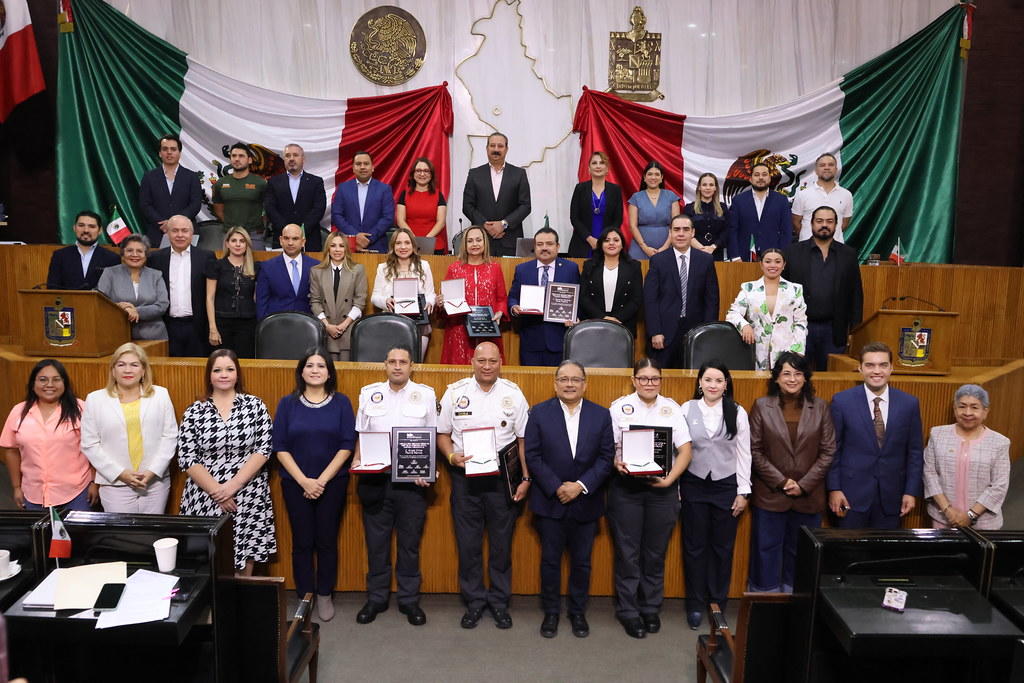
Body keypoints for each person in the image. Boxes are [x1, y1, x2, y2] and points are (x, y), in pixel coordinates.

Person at [436, 341, 531, 630]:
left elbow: (523, 441)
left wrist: (526, 478)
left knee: (502, 545)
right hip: (466, 479)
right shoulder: (456, 392)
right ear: (472, 362)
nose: (487, 366)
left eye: (492, 361)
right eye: (481, 361)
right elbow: (443, 434)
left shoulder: (513, 394)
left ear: (500, 362)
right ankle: (475, 602)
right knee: (469, 545)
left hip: (503, 479)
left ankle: (500, 603)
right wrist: (452, 457)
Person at [525, 360, 614, 639]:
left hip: (585, 501)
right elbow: (533, 456)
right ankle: (551, 613)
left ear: (585, 384)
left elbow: (606, 457)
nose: (569, 384)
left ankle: (577, 613)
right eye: (564, 379)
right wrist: (556, 487)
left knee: (582, 562)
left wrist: (581, 486)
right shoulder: (539, 413)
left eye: (575, 379)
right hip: (550, 501)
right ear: (555, 383)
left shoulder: (601, 415)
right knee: (550, 561)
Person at [607, 358, 693, 639]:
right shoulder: (619, 407)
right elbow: (607, 448)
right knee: (628, 554)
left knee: (655, 554)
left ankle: (650, 607)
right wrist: (616, 463)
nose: (648, 383)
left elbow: (686, 450)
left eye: (654, 378)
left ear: (661, 380)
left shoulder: (672, 408)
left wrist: (670, 479)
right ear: (633, 380)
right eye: (643, 378)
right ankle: (629, 611)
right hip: (627, 490)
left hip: (662, 490)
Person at [351, 346, 436, 626]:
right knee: (377, 544)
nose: (397, 366)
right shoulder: (368, 392)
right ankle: (376, 598)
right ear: (384, 365)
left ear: (412, 366)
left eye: (403, 362)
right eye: (392, 362)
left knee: (410, 545)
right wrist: (357, 463)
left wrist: (429, 468)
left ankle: (409, 600)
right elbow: (361, 435)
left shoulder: (425, 394)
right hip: (375, 480)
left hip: (412, 483)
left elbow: (431, 437)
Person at [273, 348, 355, 619]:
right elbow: (280, 446)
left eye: (321, 365)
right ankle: (305, 595)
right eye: (310, 365)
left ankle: (324, 594)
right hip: (295, 483)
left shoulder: (341, 403)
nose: (315, 370)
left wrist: (320, 480)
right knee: (302, 541)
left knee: (327, 540)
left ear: (329, 372)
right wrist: (303, 481)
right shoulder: (288, 404)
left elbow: (347, 445)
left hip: (332, 483)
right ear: (301, 371)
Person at [178, 349, 275, 575]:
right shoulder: (195, 411)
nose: (224, 375)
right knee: (209, 559)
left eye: (230, 369)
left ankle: (242, 604)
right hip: (204, 493)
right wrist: (216, 492)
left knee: (247, 551)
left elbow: (264, 448)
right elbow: (187, 456)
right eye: (218, 370)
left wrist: (233, 486)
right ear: (209, 375)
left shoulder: (255, 406)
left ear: (237, 374)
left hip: (248, 490)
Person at [748, 353, 835, 593]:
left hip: (809, 497)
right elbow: (754, 451)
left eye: (798, 374)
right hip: (770, 496)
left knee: (801, 555)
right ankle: (765, 605)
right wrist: (782, 481)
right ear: (776, 378)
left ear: (806, 378)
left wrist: (803, 484)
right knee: (765, 553)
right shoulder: (761, 406)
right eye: (786, 373)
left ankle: (795, 606)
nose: (793, 379)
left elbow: (828, 451)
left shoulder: (820, 407)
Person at [679, 361, 751, 630]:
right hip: (693, 484)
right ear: (699, 382)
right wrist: (676, 488)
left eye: (718, 380)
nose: (712, 385)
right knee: (695, 548)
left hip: (725, 485)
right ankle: (695, 605)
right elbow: (679, 451)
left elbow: (744, 453)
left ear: (726, 384)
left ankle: (717, 603)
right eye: (708, 379)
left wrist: (744, 491)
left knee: (722, 548)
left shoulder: (737, 411)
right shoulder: (686, 409)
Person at [827, 342, 923, 529]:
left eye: (883, 365)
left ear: (891, 368)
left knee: (883, 556)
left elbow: (915, 452)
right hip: (851, 495)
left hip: (892, 497)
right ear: (860, 368)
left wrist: (911, 491)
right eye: (870, 365)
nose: (876, 371)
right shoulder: (842, 401)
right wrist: (834, 488)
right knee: (848, 554)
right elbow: (833, 449)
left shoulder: (909, 404)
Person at [80, 343, 178, 513]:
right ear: (113, 370)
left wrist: (152, 471)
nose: (127, 370)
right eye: (121, 364)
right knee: (121, 537)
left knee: (152, 535)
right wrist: (121, 474)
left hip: (154, 483)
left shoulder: (160, 395)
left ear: (143, 370)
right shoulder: (95, 399)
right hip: (115, 484)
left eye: (134, 365)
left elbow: (170, 437)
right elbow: (90, 444)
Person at [1, 360, 97, 512]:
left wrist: (94, 482)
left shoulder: (81, 409)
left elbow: (94, 448)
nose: (49, 384)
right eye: (43, 379)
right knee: (41, 536)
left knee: (78, 536)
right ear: (33, 383)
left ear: (64, 383)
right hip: (33, 494)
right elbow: (11, 451)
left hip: (76, 493)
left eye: (56, 379)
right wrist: (16, 487)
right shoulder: (18, 411)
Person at [783, 206, 863, 371]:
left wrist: (854, 331)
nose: (824, 225)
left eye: (829, 221)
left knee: (831, 377)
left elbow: (856, 294)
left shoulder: (848, 254)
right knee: (797, 375)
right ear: (811, 224)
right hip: (800, 327)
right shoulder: (793, 252)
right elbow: (783, 291)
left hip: (834, 329)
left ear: (836, 225)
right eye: (819, 221)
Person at [923, 384, 1010, 530]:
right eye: (962, 406)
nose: (967, 412)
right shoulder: (937, 435)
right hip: (943, 519)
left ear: (985, 411)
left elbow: (999, 485)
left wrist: (970, 515)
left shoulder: (1000, 442)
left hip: (984, 523)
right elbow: (929, 474)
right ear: (955, 409)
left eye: (975, 407)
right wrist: (948, 510)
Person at [642, 215, 719, 368]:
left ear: (693, 233)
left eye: (686, 229)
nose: (681, 234)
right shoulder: (658, 260)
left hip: (696, 333)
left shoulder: (705, 260)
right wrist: (655, 331)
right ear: (670, 233)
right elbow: (650, 300)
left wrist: (707, 333)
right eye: (676, 229)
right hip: (663, 335)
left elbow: (712, 300)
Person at [508, 227, 581, 366]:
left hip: (560, 339)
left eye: (549, 244)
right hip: (531, 340)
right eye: (540, 244)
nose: (544, 248)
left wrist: (574, 317)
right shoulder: (522, 269)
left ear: (557, 246)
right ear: (534, 247)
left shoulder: (571, 268)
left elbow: (578, 299)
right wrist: (514, 307)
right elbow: (513, 297)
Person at [725, 247, 807, 370]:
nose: (773, 265)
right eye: (768, 261)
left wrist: (797, 352)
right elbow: (732, 313)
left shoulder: (795, 290)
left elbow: (800, 323)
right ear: (761, 265)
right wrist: (744, 325)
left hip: (787, 353)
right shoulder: (749, 288)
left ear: (784, 265)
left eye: (777, 261)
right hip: (756, 352)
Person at [147, 215, 215, 357]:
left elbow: (211, 294)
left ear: (192, 233)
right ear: (167, 233)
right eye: (175, 230)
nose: (180, 235)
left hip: (197, 326)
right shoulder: (155, 259)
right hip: (167, 326)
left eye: (184, 231)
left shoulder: (206, 257)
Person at [439, 225, 507, 364]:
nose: (474, 244)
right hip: (459, 329)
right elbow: (446, 300)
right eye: (470, 241)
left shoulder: (495, 268)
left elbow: (501, 298)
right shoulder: (454, 269)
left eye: (478, 240)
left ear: (485, 242)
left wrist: (500, 312)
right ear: (464, 244)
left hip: (487, 328)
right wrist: (441, 303)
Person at [370, 227, 437, 359]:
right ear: (393, 246)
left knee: (416, 364)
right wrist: (385, 301)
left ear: (413, 245)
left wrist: (430, 302)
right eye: (398, 243)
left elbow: (431, 294)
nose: (403, 247)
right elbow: (374, 297)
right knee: (394, 365)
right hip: (391, 323)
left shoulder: (424, 266)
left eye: (407, 243)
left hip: (419, 324)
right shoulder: (383, 268)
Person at [462, 132, 532, 257]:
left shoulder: (519, 174)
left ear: (506, 149)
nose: (496, 149)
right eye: (492, 145)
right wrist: (485, 225)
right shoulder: (475, 174)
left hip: (510, 240)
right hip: (481, 241)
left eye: (500, 146)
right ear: (487, 148)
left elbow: (525, 206)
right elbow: (467, 206)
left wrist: (503, 224)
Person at [96, 234, 169, 340]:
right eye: (129, 250)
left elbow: (162, 305)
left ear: (146, 254)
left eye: (139, 251)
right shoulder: (109, 273)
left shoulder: (156, 275)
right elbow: (100, 303)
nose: (134, 254)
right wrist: (122, 308)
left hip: (153, 336)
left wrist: (136, 311)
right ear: (122, 253)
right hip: (116, 333)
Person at [309, 231, 367, 361]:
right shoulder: (316, 271)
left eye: (341, 246)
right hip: (326, 330)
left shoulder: (357, 270)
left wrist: (344, 324)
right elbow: (315, 301)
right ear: (327, 248)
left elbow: (360, 302)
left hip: (348, 329)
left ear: (346, 249)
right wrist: (327, 325)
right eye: (333, 245)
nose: (337, 250)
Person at [579, 227, 643, 339]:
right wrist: (603, 318)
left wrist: (616, 319)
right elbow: (584, 297)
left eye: (616, 240)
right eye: (607, 240)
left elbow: (636, 299)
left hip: (623, 324)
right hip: (594, 323)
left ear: (622, 244)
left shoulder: (634, 266)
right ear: (601, 244)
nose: (611, 243)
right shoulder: (589, 266)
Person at [138, 134, 202, 247]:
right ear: (159, 153)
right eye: (165, 149)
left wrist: (174, 223)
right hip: (158, 231)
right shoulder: (149, 177)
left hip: (185, 232)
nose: (169, 152)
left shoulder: (192, 177)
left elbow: (195, 204)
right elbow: (145, 205)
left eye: (173, 149)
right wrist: (163, 223)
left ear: (180, 153)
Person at [206, 227, 261, 358]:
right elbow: (209, 298)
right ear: (227, 244)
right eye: (234, 240)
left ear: (247, 244)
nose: (238, 244)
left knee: (246, 363)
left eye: (242, 241)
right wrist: (212, 328)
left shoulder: (256, 267)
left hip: (247, 324)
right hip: (222, 323)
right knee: (222, 361)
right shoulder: (216, 266)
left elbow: (256, 298)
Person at [265, 143, 327, 252]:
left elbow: (319, 208)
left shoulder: (316, 182)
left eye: (295, 155)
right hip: (282, 238)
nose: (291, 159)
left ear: (303, 159)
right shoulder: (273, 182)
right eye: (288, 156)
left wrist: (302, 230)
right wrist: (287, 231)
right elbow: (270, 208)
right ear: (284, 159)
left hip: (310, 239)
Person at [331, 151, 395, 253]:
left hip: (376, 245)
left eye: (366, 164)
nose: (362, 167)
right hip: (348, 245)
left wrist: (369, 238)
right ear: (352, 168)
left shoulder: (384, 189)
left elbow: (388, 218)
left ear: (372, 167)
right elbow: (337, 215)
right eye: (358, 164)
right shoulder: (343, 188)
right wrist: (355, 236)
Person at [727, 163, 791, 262]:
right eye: (756, 175)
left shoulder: (781, 200)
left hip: (773, 258)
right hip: (743, 258)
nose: (760, 178)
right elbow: (732, 230)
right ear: (750, 178)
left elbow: (786, 231)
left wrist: (782, 256)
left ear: (770, 178)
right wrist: (735, 256)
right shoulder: (738, 200)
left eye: (764, 174)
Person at [255, 223, 318, 320]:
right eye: (286, 238)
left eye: (295, 239)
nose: (290, 243)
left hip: (307, 325)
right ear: (281, 240)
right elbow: (261, 303)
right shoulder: (267, 267)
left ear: (303, 242)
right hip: (277, 325)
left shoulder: (316, 266)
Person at [212, 142, 268, 249]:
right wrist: (232, 226)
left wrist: (258, 225)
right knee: (228, 265)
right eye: (234, 156)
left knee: (257, 265)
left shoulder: (260, 183)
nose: (237, 159)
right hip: (229, 234)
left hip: (254, 235)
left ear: (250, 160)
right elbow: (218, 209)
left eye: (241, 156)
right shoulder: (220, 183)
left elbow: (268, 209)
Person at [568, 151, 624, 258]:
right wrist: (589, 238)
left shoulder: (615, 190)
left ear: (607, 169)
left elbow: (618, 219)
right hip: (582, 242)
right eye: (594, 163)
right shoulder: (580, 188)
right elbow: (574, 218)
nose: (598, 166)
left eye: (602, 163)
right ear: (589, 169)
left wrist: (605, 239)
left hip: (608, 244)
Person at [46, 210, 120, 290]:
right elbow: (52, 289)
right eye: (81, 225)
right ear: (74, 228)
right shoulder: (60, 256)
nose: (86, 230)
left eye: (92, 226)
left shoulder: (112, 258)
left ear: (100, 230)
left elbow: (115, 290)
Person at [790, 153, 853, 242]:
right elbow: (796, 223)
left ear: (836, 169)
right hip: (807, 248)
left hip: (835, 249)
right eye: (822, 165)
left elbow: (844, 223)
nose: (826, 167)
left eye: (830, 165)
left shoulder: (846, 195)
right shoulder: (803, 194)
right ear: (816, 170)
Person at [627, 160, 680, 260]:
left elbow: (676, 225)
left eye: (657, 174)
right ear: (644, 177)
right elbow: (632, 226)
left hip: (667, 246)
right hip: (639, 248)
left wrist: (665, 247)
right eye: (650, 174)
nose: (653, 177)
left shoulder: (671, 196)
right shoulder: (636, 197)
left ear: (661, 177)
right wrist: (644, 247)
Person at [396, 157, 448, 254]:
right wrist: (412, 239)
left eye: (426, 171)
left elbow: (441, 222)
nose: (422, 174)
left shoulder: (439, 195)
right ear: (413, 174)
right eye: (418, 171)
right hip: (408, 245)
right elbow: (400, 220)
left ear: (431, 174)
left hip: (434, 245)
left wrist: (426, 241)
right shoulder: (404, 194)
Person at [683, 173, 730, 261]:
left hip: (717, 253)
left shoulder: (723, 208)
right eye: (704, 185)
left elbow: (726, 231)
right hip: (695, 253)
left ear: (715, 188)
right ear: (699, 188)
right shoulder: (689, 208)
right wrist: (701, 248)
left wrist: (713, 247)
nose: (708, 188)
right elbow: (685, 231)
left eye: (711, 185)